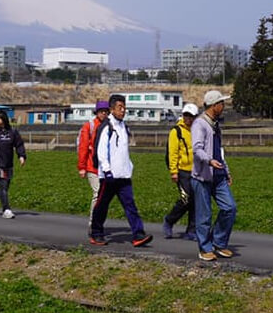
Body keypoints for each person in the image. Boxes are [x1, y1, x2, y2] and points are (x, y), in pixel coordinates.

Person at [89, 94, 153, 247]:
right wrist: (106, 170)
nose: (123, 111)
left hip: (123, 175)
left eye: (124, 108)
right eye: (120, 108)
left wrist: (129, 166)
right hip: (109, 176)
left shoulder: (123, 126)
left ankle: (138, 234)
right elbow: (101, 150)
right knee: (102, 205)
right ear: (111, 109)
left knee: (130, 205)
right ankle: (96, 232)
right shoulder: (106, 126)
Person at [191, 90, 237, 261]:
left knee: (229, 208)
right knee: (204, 215)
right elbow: (197, 149)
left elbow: (220, 152)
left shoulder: (216, 126)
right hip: (202, 176)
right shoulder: (200, 125)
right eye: (221, 103)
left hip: (218, 175)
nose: (223, 107)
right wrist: (209, 161)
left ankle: (219, 241)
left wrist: (226, 171)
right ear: (214, 106)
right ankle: (204, 248)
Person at [163, 103, 199, 240]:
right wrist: (173, 171)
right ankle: (169, 220)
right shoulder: (176, 131)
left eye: (191, 116)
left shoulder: (197, 131)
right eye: (186, 116)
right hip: (182, 171)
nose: (188, 119)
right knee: (186, 199)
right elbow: (173, 152)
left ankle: (191, 230)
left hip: (196, 171)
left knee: (195, 201)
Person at [77, 100, 110, 234]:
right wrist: (82, 167)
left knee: (103, 196)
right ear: (96, 112)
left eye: (106, 111)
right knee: (97, 193)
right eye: (102, 111)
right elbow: (83, 147)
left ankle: (98, 222)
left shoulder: (110, 126)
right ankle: (93, 223)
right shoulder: (89, 126)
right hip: (92, 166)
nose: (104, 114)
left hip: (105, 167)